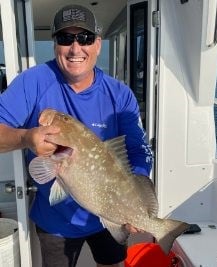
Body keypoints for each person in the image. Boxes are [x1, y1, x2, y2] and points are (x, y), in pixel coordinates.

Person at [0, 4, 153, 267]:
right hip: (55, 222)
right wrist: (26, 138)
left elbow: (139, 151)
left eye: (84, 38)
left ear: (98, 44)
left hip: (110, 215)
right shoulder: (32, 82)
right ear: (55, 44)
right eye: (65, 38)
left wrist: (134, 202)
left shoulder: (120, 95)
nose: (75, 48)